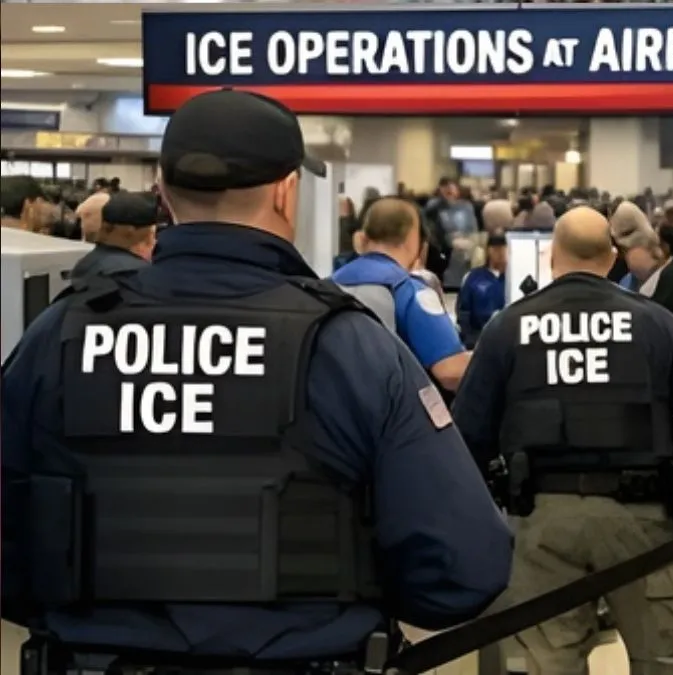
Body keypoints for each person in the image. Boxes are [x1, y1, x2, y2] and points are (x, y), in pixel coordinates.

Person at [0, 89, 512, 671]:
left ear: (162, 194)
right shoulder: (350, 346)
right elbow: (468, 565)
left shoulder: (58, 335)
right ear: (286, 190)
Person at [451, 206, 673, 675]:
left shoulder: (508, 326)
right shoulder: (656, 323)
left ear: (551, 255)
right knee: (664, 662)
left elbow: (468, 434)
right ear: (612, 256)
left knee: (547, 664)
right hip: (644, 520)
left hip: (542, 518)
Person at [332, 197, 471, 392]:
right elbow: (450, 371)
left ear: (363, 238)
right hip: (384, 415)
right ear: (415, 241)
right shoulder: (410, 291)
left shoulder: (329, 284)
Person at [68, 191, 158, 284]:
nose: (154, 241)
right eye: (151, 235)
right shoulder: (137, 273)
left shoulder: (82, 265)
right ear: (130, 231)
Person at [456, 233, 507, 349]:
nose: (500, 253)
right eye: (496, 249)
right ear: (488, 250)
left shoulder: (513, 278)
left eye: (503, 248)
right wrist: (471, 340)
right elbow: (463, 313)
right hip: (478, 340)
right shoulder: (474, 278)